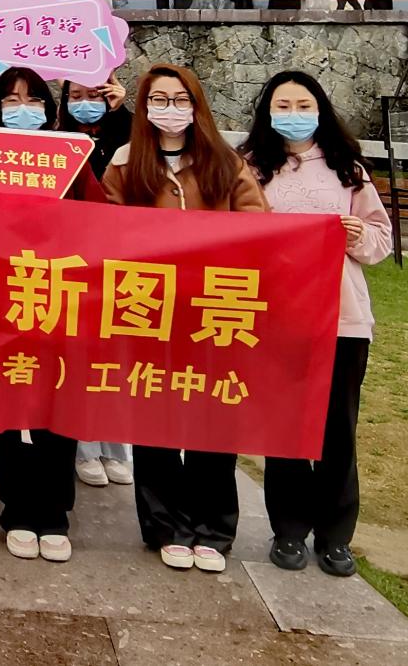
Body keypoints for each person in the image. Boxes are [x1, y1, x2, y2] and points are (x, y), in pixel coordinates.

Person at [106, 63, 268, 574]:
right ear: (144, 107)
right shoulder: (125, 163)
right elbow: (105, 232)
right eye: (159, 100)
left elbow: (258, 228)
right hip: (149, 311)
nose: (170, 109)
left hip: (214, 311)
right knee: (154, 419)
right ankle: (165, 526)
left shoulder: (226, 163)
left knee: (212, 418)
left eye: (180, 100)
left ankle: (213, 527)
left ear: (196, 107)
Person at [245, 70, 392, 577]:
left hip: (342, 318)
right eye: (282, 105)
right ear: (267, 112)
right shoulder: (251, 168)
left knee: (337, 431)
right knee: (286, 426)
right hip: (276, 319)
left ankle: (335, 536)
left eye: (303, 105)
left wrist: (356, 236)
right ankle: (288, 529)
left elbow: (380, 237)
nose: (293, 114)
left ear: (320, 110)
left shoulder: (348, 168)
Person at [0, 67, 104, 563]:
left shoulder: (72, 156)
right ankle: (17, 510)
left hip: (62, 301)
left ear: (49, 109)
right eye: (11, 101)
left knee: (59, 408)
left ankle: (55, 513)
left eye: (32, 100)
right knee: (10, 411)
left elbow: (103, 220)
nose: (22, 110)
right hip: (2, 303)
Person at [64, 70, 136, 489]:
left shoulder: (125, 136)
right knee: (77, 358)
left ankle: (115, 448)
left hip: (121, 260)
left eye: (94, 94)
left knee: (113, 357)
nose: (84, 102)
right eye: (75, 95)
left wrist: (121, 112)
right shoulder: (56, 140)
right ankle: (85, 447)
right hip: (71, 264)